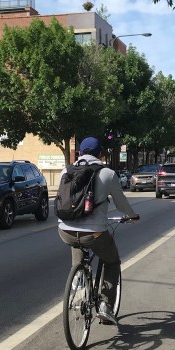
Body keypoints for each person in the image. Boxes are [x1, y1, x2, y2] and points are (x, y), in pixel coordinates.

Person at [58, 137, 140, 324]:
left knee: (77, 246)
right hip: (94, 233)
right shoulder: (108, 174)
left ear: (79, 153)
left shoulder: (66, 170)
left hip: (64, 230)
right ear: (101, 154)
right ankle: (105, 304)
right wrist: (132, 215)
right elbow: (121, 204)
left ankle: (78, 290)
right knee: (112, 262)